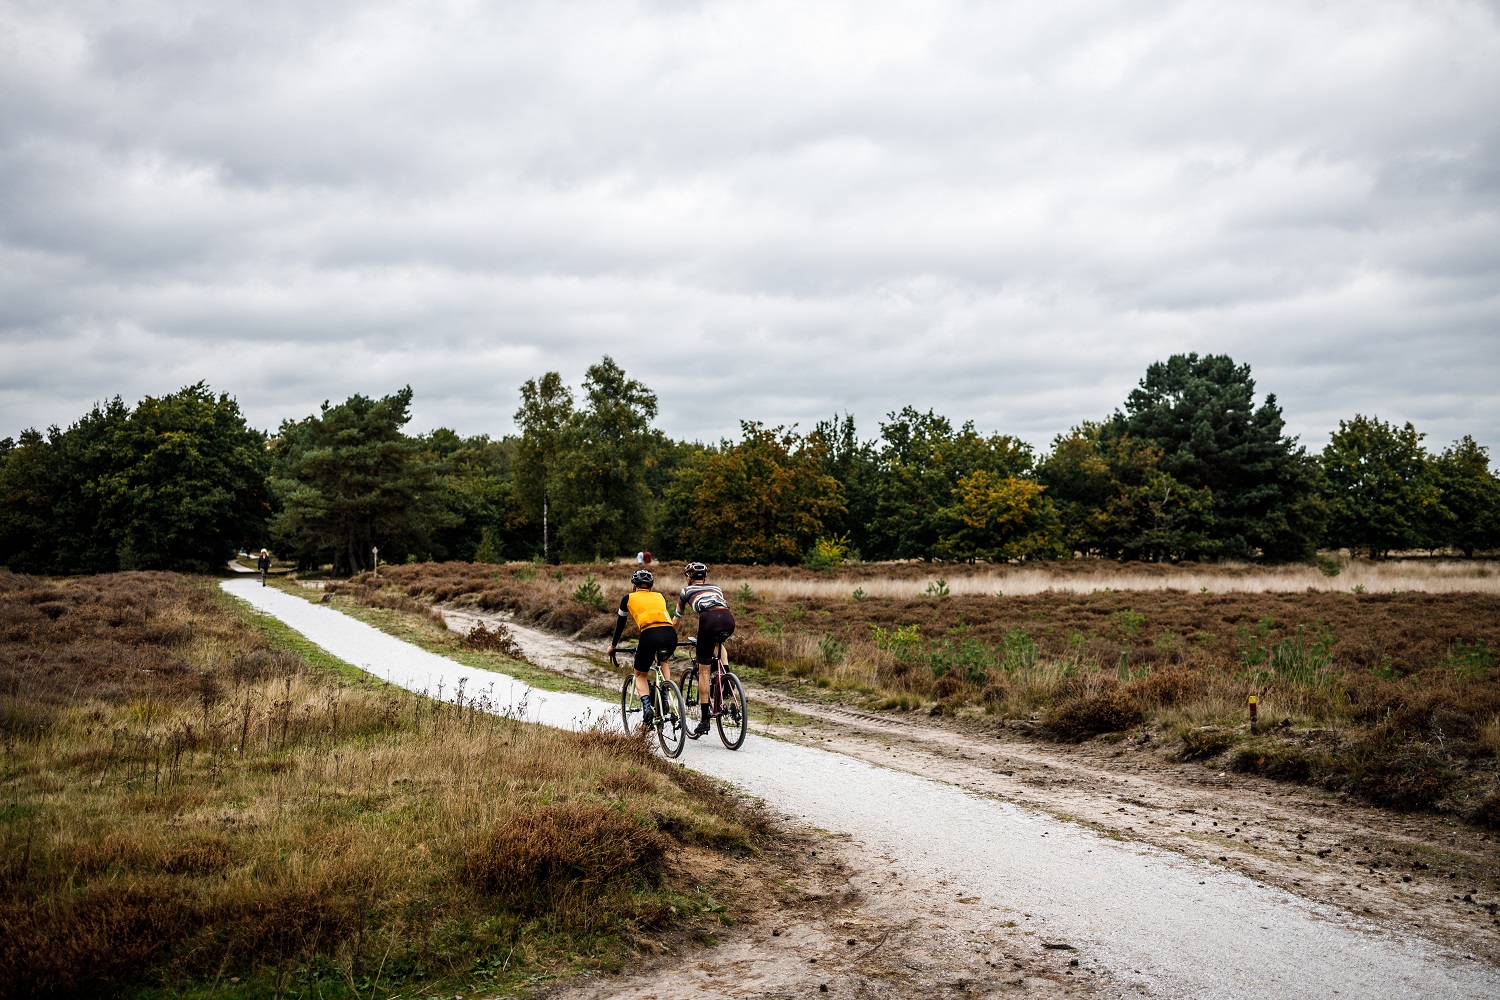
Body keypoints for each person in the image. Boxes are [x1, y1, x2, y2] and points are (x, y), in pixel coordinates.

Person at [608, 569, 678, 727]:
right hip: (670, 634)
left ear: (633, 587)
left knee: (640, 674)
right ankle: (665, 694)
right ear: (651, 588)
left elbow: (620, 624)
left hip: (649, 635)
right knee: (663, 660)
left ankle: (647, 708)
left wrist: (613, 645)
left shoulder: (628, 598)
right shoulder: (660, 596)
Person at [674, 562, 736, 736]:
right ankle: (727, 678)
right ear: (705, 577)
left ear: (689, 577)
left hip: (708, 620)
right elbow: (718, 606)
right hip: (728, 618)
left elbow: (676, 619)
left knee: (704, 671)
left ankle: (704, 720)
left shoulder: (686, 591)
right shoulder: (717, 588)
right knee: (719, 644)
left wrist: (670, 637)